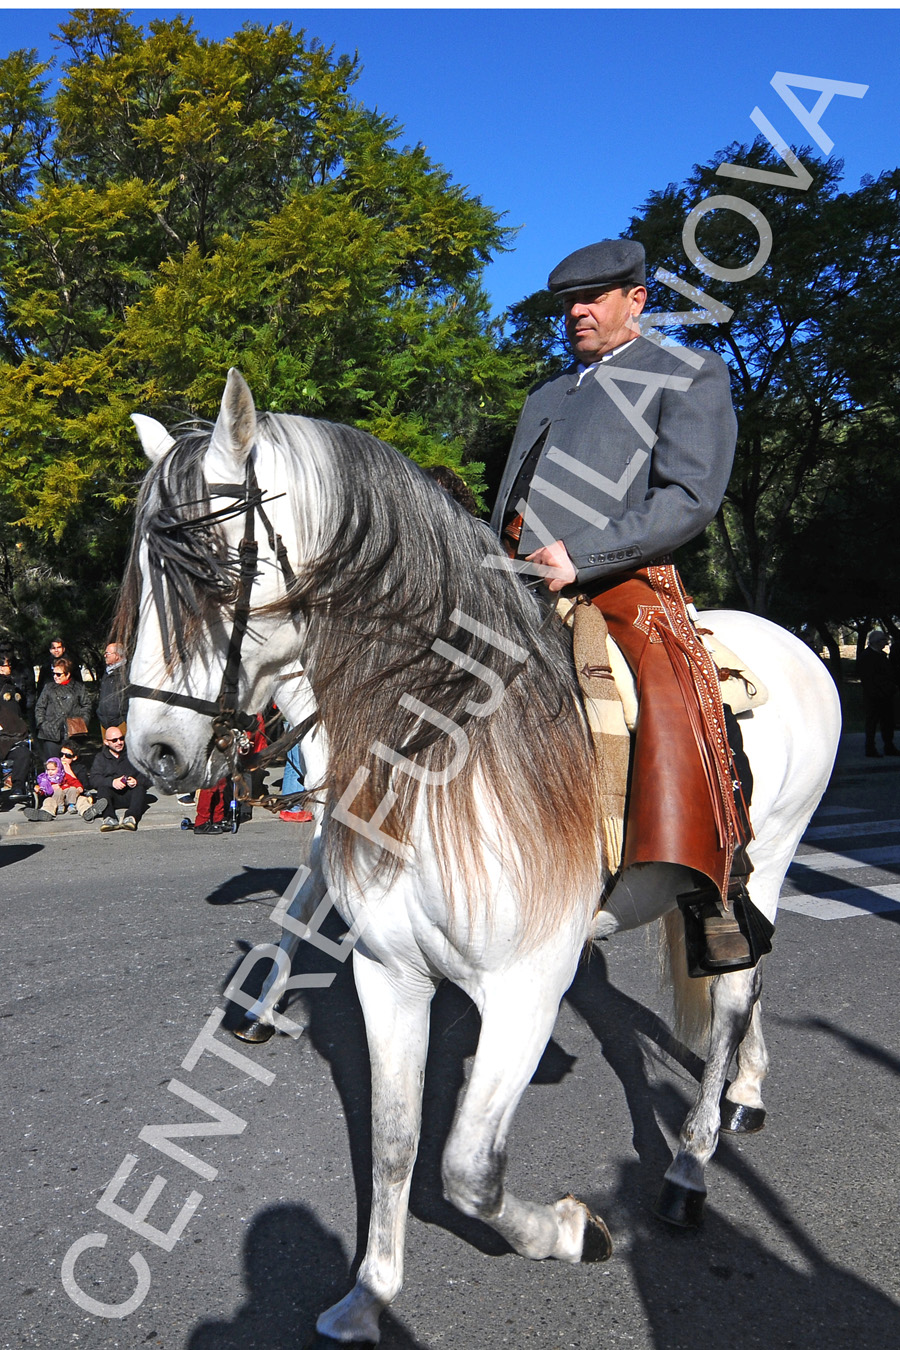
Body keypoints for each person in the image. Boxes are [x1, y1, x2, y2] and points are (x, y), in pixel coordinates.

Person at [491, 238, 756, 974]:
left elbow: (690, 497)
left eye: (593, 298)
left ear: (636, 300)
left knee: (674, 683)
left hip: (618, 575)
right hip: (514, 579)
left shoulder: (685, 372)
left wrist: (583, 556)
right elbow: (514, 499)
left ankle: (713, 884)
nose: (576, 313)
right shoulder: (547, 392)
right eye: (568, 304)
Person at [90, 727, 149, 831]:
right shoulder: (100, 758)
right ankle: (109, 818)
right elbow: (94, 779)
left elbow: (147, 775)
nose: (119, 742)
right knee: (103, 788)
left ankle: (131, 818)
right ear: (106, 742)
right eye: (114, 740)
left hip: (130, 795)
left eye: (121, 738)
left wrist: (136, 781)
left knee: (140, 788)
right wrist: (112, 782)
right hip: (112, 796)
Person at [34, 656, 91, 760]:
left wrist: (82, 722)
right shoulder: (48, 688)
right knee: (53, 765)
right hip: (50, 733)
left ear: (68, 674)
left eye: (59, 674)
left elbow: (86, 706)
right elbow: (40, 707)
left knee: (71, 765)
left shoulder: (79, 688)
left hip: (73, 733)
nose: (55, 677)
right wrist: (42, 724)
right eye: (54, 674)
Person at [23, 753, 106, 822]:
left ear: (59, 768)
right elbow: (43, 790)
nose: (50, 772)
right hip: (56, 799)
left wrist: (79, 787)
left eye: (53, 769)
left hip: (70, 797)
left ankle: (88, 811)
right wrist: (40, 790)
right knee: (48, 801)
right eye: (48, 770)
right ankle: (45, 813)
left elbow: (74, 781)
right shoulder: (46, 779)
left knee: (81, 799)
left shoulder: (64, 776)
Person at [858, 630, 899, 758]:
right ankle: (870, 748)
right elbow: (868, 678)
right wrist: (878, 691)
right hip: (874, 696)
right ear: (875, 642)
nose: (885, 643)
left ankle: (889, 746)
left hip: (886, 694)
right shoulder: (867, 656)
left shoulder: (881, 656)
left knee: (887, 722)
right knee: (872, 722)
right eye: (883, 640)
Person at [0, 659, 31, 803]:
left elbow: (22, 708)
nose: (9, 667)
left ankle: (18, 787)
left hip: (15, 733)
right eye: (6, 665)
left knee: (23, 753)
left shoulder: (13, 685)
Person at [96, 641, 129, 734]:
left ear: (117, 656)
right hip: (104, 724)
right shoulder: (107, 673)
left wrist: (124, 719)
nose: (105, 655)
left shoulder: (126, 672)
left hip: (120, 723)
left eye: (107, 653)